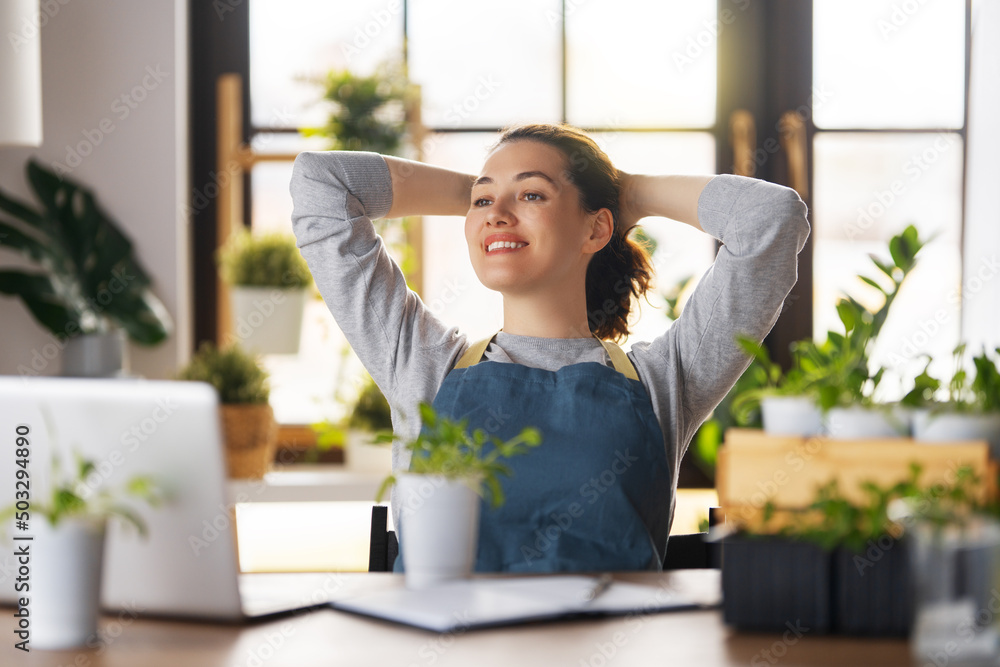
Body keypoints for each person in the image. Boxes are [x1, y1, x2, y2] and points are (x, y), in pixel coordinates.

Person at [290, 123, 809, 573]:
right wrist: (487, 195)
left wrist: (630, 195)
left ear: (597, 228)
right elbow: (321, 184)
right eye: (482, 202)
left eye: (533, 195)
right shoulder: (420, 362)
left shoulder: (667, 378)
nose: (495, 214)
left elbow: (771, 218)